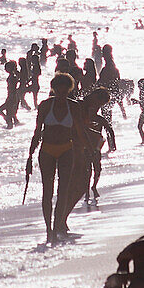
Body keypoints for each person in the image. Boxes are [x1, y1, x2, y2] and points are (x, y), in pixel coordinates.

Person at [27, 73, 90, 242]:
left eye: (65, 88)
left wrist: (90, 149)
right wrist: (30, 154)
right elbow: (37, 131)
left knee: (63, 191)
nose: (62, 92)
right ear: (54, 88)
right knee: (47, 191)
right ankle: (49, 229)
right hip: (46, 150)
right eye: (58, 88)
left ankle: (57, 226)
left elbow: (80, 131)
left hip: (66, 150)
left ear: (69, 89)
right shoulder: (45, 105)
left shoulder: (74, 107)